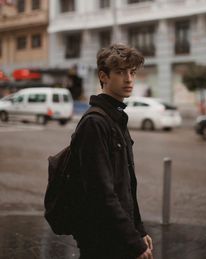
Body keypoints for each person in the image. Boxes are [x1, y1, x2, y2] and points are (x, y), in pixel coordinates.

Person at [71, 44, 153, 259]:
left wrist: (139, 229)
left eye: (132, 72)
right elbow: (101, 192)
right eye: (120, 72)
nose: (129, 79)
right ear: (103, 76)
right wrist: (133, 241)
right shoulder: (95, 123)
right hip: (102, 240)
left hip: (118, 235)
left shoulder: (117, 118)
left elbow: (127, 185)